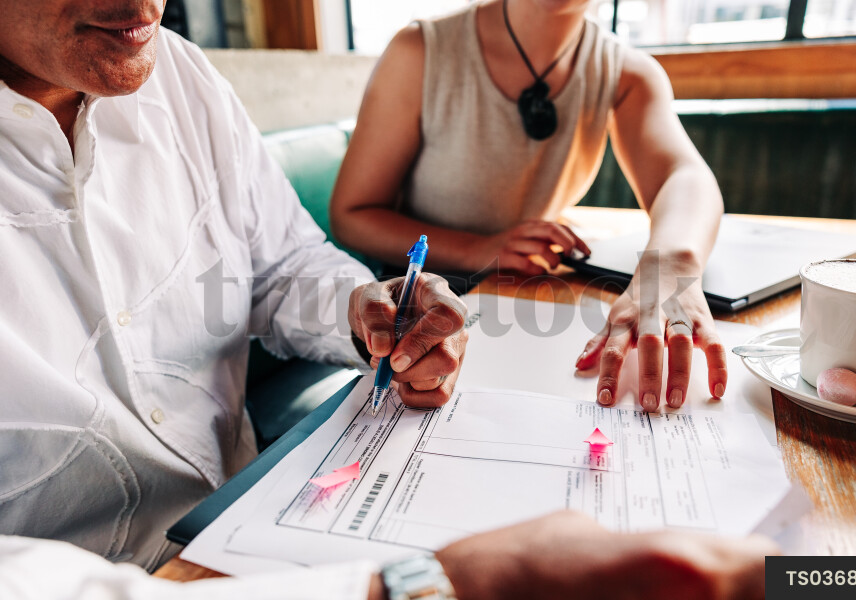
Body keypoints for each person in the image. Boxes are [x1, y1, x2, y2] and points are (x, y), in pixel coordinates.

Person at [0, 1, 774, 598]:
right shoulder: (426, 49)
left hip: (245, 520)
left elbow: (279, 266)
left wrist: (362, 307)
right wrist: (425, 585)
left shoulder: (181, 76)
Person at [330, 0, 728, 414]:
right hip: (415, 308)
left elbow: (685, 176)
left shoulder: (626, 73)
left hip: (521, 294)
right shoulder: (420, 50)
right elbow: (351, 213)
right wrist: (478, 250)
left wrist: (670, 266)